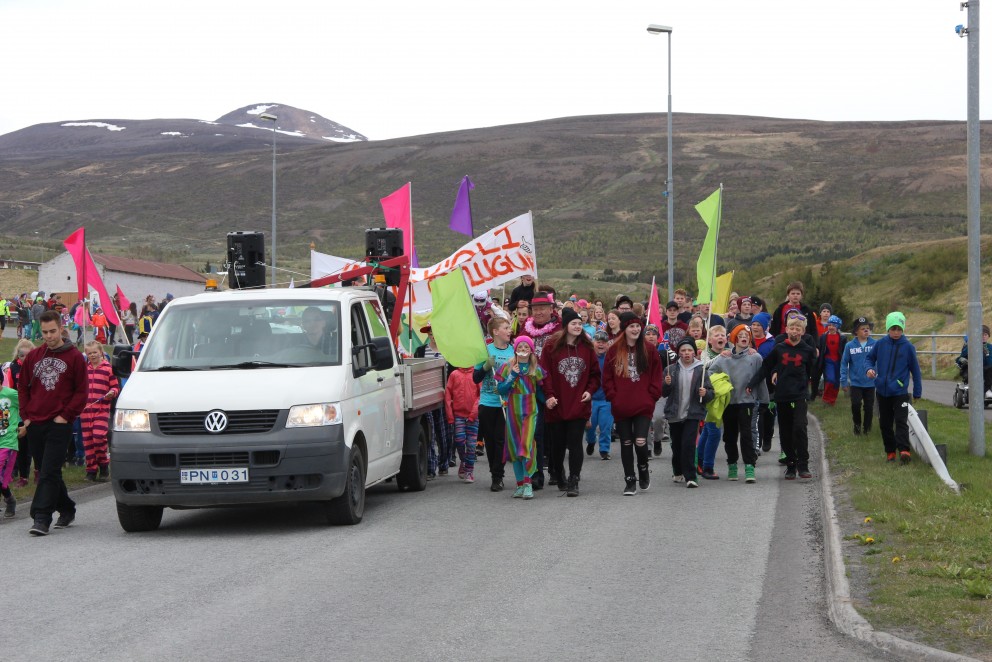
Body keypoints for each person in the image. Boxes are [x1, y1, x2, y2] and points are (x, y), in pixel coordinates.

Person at [18, 310, 88, 536]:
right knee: (49, 471)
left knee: (48, 471)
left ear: (61, 329)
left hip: (60, 422)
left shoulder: (75, 357)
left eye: (52, 331)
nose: (48, 336)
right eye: (45, 332)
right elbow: (22, 387)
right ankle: (67, 508)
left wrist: (66, 415)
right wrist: (26, 415)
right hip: (35, 422)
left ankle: (41, 517)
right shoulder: (34, 356)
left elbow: (81, 391)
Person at [539, 307, 600, 497]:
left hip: (578, 403)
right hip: (556, 403)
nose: (578, 326)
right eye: (574, 323)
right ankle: (559, 472)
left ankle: (574, 479)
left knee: (575, 444)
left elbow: (595, 375)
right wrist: (548, 395)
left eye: (580, 324)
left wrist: (590, 392)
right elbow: (544, 374)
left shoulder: (587, 348)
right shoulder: (551, 346)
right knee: (557, 446)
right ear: (565, 326)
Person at [748, 314, 816, 480]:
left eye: (798, 328)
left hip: (799, 394)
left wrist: (811, 391)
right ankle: (791, 464)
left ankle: (803, 464)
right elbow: (767, 366)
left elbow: (812, 372)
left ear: (803, 331)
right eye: (791, 328)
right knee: (785, 431)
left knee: (800, 427)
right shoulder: (779, 348)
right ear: (786, 330)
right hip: (783, 394)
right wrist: (752, 383)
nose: (794, 331)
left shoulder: (807, 350)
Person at [603, 312, 663, 496]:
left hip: (643, 404)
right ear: (625, 329)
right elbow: (607, 377)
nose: (636, 329)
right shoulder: (614, 350)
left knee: (640, 440)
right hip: (621, 405)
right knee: (627, 443)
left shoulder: (649, 349)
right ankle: (630, 479)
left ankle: (643, 468)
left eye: (638, 326)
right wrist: (613, 396)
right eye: (632, 326)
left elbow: (656, 374)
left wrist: (652, 395)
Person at [708, 325, 764, 483]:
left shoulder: (755, 357)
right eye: (740, 335)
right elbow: (710, 372)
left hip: (747, 401)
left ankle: (749, 466)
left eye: (747, 335)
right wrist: (720, 386)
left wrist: (765, 400)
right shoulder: (724, 357)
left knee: (746, 435)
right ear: (734, 338)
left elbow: (761, 379)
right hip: (729, 402)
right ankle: (732, 464)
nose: (744, 337)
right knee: (730, 436)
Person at [865, 312, 923, 463]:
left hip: (900, 392)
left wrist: (917, 391)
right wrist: (869, 369)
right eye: (893, 329)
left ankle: (904, 451)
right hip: (882, 392)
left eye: (899, 329)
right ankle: (890, 452)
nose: (896, 332)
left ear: (903, 329)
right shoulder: (880, 344)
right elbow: (869, 359)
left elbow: (915, 371)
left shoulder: (908, 347)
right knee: (885, 423)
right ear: (887, 329)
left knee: (901, 421)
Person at [496, 336, 545, 500]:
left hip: (530, 412)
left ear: (531, 350)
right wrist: (512, 376)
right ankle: (519, 485)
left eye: (526, 346)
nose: (523, 349)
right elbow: (501, 390)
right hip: (512, 412)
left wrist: (550, 402)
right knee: (515, 449)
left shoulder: (535, 368)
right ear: (516, 348)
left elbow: (540, 391)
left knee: (527, 446)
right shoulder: (507, 367)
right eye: (520, 346)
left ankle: (528, 484)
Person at [663, 337, 714, 488]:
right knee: (677, 446)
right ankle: (677, 470)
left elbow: (711, 392)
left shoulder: (701, 369)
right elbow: (664, 392)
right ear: (678, 353)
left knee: (688, 444)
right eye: (683, 350)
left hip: (692, 413)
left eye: (689, 350)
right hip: (674, 413)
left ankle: (691, 476)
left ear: (694, 352)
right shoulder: (670, 369)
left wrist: (706, 393)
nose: (686, 353)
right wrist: (666, 384)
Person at [522, 293, 560, 489]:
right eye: (535, 309)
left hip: (554, 388)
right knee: (535, 433)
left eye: (543, 308)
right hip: (531, 389)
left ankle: (555, 469)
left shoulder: (560, 329)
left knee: (554, 432)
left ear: (551, 309)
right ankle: (536, 474)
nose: (538, 312)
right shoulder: (524, 329)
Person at [474, 317, 516, 492]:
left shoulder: (513, 351)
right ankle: (494, 471)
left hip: (505, 403)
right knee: (490, 441)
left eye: (509, 328)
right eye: (506, 328)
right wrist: (485, 366)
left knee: (500, 440)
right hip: (487, 402)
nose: (509, 330)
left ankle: (498, 477)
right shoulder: (485, 350)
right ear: (495, 332)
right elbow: (475, 378)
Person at [81, 341, 119, 482]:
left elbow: (115, 387)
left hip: (102, 410)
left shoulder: (108, 368)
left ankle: (103, 465)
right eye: (89, 353)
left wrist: (112, 392)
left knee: (98, 438)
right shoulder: (85, 369)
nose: (92, 355)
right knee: (88, 442)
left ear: (101, 352)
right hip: (85, 411)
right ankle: (91, 470)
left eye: (95, 352)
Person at [698, 325, 728, 480]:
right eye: (716, 335)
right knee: (714, 431)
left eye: (723, 335)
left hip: (725, 396)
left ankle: (699, 460)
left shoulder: (729, 352)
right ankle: (708, 467)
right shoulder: (706, 353)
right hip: (710, 396)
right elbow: (705, 367)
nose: (720, 337)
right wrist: (721, 356)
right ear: (709, 340)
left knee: (708, 431)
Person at [3, 339, 34, 487]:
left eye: (28, 355)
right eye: (22, 355)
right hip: (17, 410)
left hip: (34, 409)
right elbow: (8, 388)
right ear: (18, 355)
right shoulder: (13, 367)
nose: (25, 358)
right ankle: (15, 473)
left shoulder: (36, 368)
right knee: (18, 442)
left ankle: (29, 473)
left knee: (30, 445)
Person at [840, 317, 877, 435]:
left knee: (869, 407)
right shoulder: (849, 346)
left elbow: (881, 361)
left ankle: (867, 429)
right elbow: (844, 363)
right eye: (863, 329)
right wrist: (844, 381)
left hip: (871, 383)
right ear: (856, 331)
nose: (866, 330)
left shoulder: (875, 344)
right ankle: (857, 426)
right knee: (855, 405)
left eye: (868, 328)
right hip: (856, 382)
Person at [444, 365, 480, 484]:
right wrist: (450, 416)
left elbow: (480, 395)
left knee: (471, 444)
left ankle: (469, 470)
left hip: (473, 416)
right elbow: (448, 395)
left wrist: (474, 413)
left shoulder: (476, 374)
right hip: (458, 415)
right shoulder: (454, 374)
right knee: (459, 440)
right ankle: (464, 461)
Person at [584, 331, 614, 460]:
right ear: (593, 343)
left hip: (606, 399)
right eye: (598, 342)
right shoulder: (588, 358)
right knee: (590, 427)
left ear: (608, 344)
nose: (601, 344)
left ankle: (604, 449)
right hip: (590, 399)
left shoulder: (612, 359)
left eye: (604, 342)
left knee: (605, 426)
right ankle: (591, 441)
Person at [813, 315, 847, 405]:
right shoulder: (823, 337)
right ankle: (826, 398)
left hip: (838, 361)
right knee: (830, 379)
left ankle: (832, 400)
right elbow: (820, 348)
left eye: (833, 325)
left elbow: (844, 351)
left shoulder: (842, 338)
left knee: (836, 382)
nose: (831, 327)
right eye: (829, 325)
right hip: (828, 361)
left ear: (837, 326)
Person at [1, 380, 22, 518]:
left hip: (7, 442)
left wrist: (24, 424)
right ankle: (9, 499)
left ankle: (9, 500)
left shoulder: (11, 394)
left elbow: (28, 405)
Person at [956, 324, 992, 399]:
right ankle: (984, 391)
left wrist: (987, 353)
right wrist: (963, 359)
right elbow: (959, 358)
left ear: (988, 336)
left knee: (989, 369)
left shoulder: (990, 347)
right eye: (981, 334)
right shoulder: (970, 346)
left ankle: (986, 390)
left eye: (985, 334)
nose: (983, 336)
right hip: (973, 369)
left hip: (987, 370)